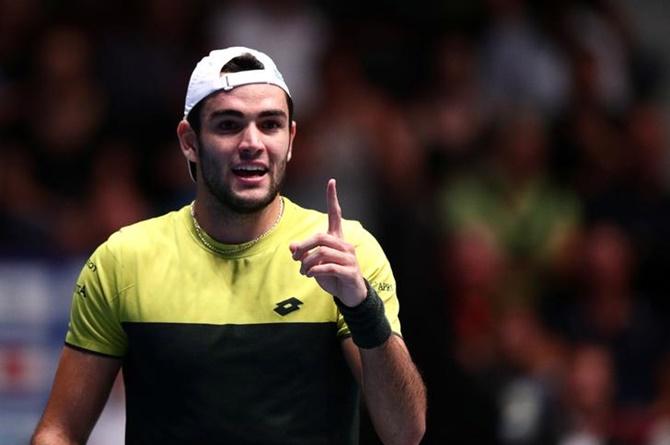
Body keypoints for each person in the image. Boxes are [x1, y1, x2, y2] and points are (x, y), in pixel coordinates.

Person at [31, 46, 426, 444]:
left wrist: (362, 307)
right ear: (189, 141)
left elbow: (405, 432)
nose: (252, 142)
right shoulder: (123, 260)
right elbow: (59, 430)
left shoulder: (347, 251)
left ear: (290, 139)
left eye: (270, 124)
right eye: (228, 125)